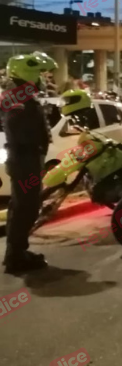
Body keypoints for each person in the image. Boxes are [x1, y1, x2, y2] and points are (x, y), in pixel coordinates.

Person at [2, 52, 57, 274]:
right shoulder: (18, 99)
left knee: (21, 206)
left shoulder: (19, 96)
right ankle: (16, 257)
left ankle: (15, 254)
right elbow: (22, 131)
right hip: (25, 159)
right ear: (27, 74)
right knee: (26, 207)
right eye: (39, 74)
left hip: (26, 158)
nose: (42, 79)